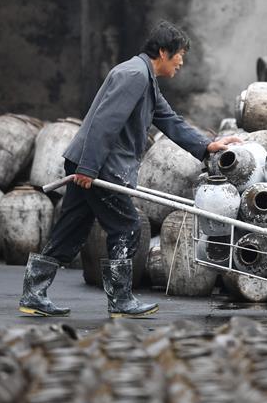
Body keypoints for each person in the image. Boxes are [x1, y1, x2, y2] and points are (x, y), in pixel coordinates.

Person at [19, 20, 242, 319]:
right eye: (180, 55)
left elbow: (169, 120)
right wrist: (89, 168)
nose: (181, 62)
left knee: (71, 228)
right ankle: (121, 300)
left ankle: (33, 294)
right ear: (163, 52)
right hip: (100, 166)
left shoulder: (145, 79)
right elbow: (104, 123)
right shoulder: (134, 75)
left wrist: (206, 146)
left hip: (92, 162)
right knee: (126, 226)